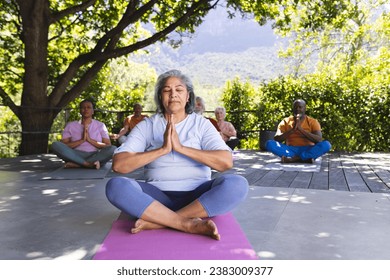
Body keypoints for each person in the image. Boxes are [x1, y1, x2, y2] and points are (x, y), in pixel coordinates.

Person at [105, 70, 248, 240]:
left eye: (179, 90)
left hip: (197, 197)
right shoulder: (147, 125)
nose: (173, 95)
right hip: (156, 197)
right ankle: (185, 223)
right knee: (116, 186)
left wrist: (180, 148)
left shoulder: (201, 124)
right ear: (160, 97)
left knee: (237, 184)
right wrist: (163, 149)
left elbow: (225, 162)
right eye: (167, 90)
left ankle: (160, 221)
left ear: (188, 96)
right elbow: (119, 165)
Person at [51, 99, 116, 169]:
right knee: (55, 145)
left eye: (88, 107)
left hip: (95, 155)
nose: (86, 109)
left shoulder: (100, 125)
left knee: (113, 149)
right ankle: (87, 164)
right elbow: (65, 145)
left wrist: (89, 140)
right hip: (75, 154)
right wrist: (82, 140)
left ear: (93, 111)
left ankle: (78, 164)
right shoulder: (71, 125)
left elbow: (107, 145)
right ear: (80, 111)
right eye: (83, 107)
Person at [266, 99, 331, 163]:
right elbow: (277, 138)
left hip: (308, 149)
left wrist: (301, 130)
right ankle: (305, 158)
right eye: (295, 107)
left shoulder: (313, 121)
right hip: (290, 150)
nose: (297, 109)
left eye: (300, 107)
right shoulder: (286, 121)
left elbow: (319, 139)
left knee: (326, 145)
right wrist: (292, 130)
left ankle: (295, 159)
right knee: (269, 143)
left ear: (305, 109)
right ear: (293, 109)